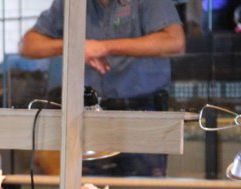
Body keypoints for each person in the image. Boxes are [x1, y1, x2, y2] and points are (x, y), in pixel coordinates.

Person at [19, 0, 185, 177]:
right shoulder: (71, 4)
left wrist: (103, 47)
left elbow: (174, 41)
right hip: (88, 111)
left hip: (141, 110)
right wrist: (75, 45)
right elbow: (28, 45)